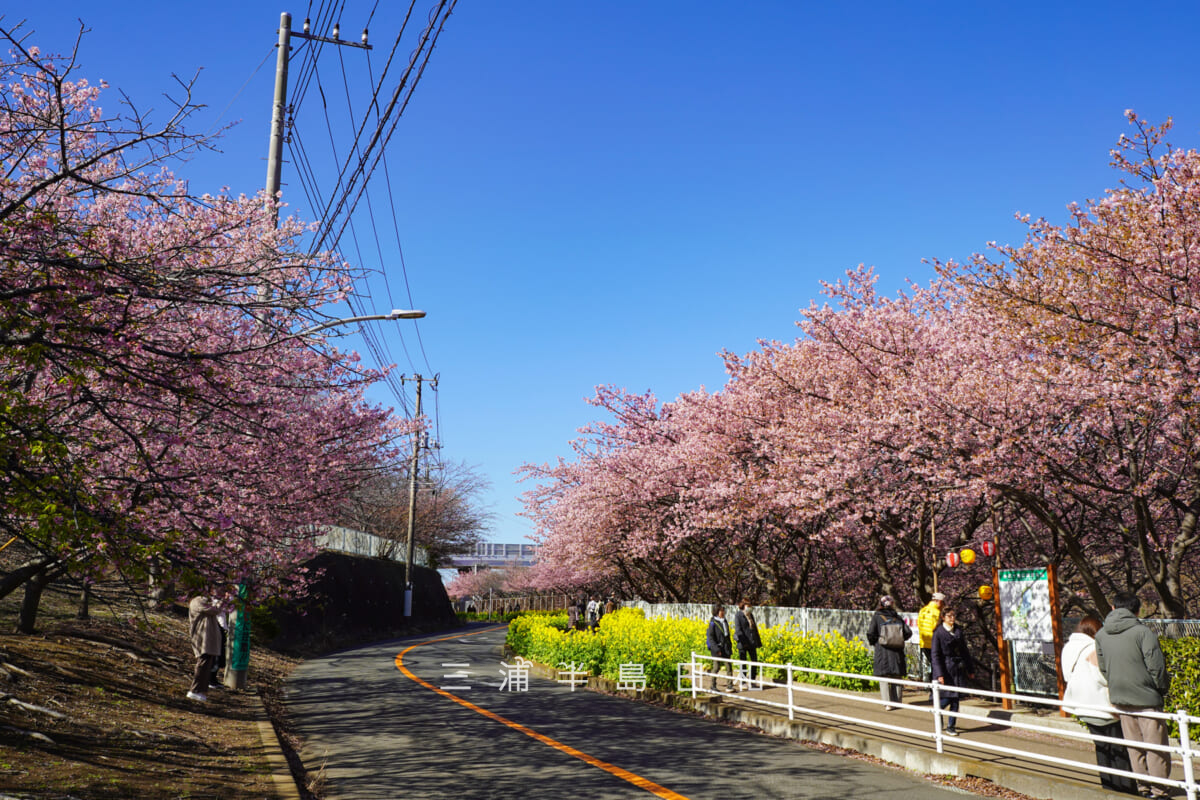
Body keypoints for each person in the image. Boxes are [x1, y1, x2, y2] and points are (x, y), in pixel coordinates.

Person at [1095, 591, 1172, 800]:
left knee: (1134, 747)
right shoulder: (1142, 632)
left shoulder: (1101, 635)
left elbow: (1103, 668)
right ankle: (1160, 791)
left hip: (1121, 698)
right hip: (1147, 699)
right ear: (1136, 610)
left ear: (1113, 608)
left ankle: (1143, 788)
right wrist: (1161, 689)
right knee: (1156, 749)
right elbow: (1156, 668)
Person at [1062, 616, 1139, 795]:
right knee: (1119, 748)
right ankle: (1127, 789)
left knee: (1102, 748)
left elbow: (1067, 676)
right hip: (1103, 707)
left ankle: (1109, 787)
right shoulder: (1092, 648)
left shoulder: (1068, 648)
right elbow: (1101, 676)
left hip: (1082, 707)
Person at [931, 607, 975, 735]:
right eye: (949, 616)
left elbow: (964, 651)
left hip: (957, 668)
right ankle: (938, 713)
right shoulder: (938, 633)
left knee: (956, 698)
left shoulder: (958, 631)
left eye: (953, 615)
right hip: (945, 669)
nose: (952, 618)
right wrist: (939, 674)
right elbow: (935, 655)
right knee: (947, 698)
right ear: (943, 617)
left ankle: (951, 726)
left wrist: (970, 668)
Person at [866, 595, 912, 710]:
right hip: (897, 652)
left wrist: (876, 642)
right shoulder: (897, 617)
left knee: (884, 677)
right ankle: (897, 702)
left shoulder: (877, 617)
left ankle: (887, 703)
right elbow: (908, 633)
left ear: (881, 604)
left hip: (883, 651)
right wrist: (898, 639)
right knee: (896, 676)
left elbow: (871, 633)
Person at [187, 596, 222, 702]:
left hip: (208, 637)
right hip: (202, 636)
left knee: (207, 664)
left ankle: (201, 690)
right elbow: (214, 610)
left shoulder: (205, 601)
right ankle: (195, 690)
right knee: (203, 662)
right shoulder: (198, 601)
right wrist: (220, 602)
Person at [706, 604, 736, 693]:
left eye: (723, 610)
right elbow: (711, 638)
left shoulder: (724, 621)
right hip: (717, 648)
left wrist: (729, 646)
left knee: (729, 667)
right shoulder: (713, 623)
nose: (723, 612)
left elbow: (727, 635)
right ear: (717, 612)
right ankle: (713, 685)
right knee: (716, 667)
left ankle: (730, 685)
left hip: (726, 647)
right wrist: (716, 649)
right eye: (721, 611)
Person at [734, 599, 763, 689]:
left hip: (752, 642)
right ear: (743, 606)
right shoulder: (739, 615)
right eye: (748, 606)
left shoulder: (751, 615)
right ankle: (742, 682)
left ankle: (752, 680)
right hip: (743, 642)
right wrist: (743, 641)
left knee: (754, 661)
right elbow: (738, 630)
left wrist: (757, 641)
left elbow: (754, 629)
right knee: (743, 662)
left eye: (750, 606)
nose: (749, 608)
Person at [917, 592, 944, 685]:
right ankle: (936, 686)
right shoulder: (936, 613)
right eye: (942, 602)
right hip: (934, 643)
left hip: (924, 642)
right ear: (938, 601)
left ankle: (928, 685)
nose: (943, 605)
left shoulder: (923, 610)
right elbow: (936, 627)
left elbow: (919, 625)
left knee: (928, 665)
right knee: (936, 665)